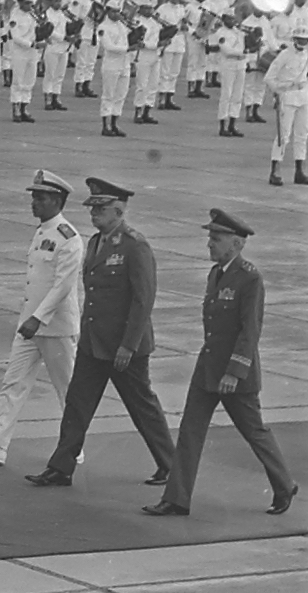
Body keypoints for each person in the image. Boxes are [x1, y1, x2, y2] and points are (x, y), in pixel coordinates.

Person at [143, 209, 299, 517]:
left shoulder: (250, 278)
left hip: (233, 374)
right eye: (210, 238)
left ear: (237, 244)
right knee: (189, 432)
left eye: (217, 239)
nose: (210, 244)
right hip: (208, 369)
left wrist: (235, 371)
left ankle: (283, 484)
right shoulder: (216, 274)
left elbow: (250, 330)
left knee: (254, 431)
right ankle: (176, 499)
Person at [25, 177, 175, 488]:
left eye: (101, 208)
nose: (94, 213)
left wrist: (129, 345)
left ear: (119, 211)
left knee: (142, 408)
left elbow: (143, 299)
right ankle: (61, 468)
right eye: (93, 208)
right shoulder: (94, 242)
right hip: (94, 343)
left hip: (123, 346)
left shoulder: (135, 246)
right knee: (77, 405)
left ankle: (172, 466)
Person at [0, 170, 84, 467]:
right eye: (33, 197)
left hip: (55, 328)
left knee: (67, 389)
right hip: (30, 326)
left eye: (40, 198)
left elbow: (63, 286)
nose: (33, 203)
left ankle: (74, 446)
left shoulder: (69, 238)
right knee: (13, 383)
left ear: (56, 200)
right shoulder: (43, 231)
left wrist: (37, 319)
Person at [265, 25, 308, 186]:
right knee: (283, 136)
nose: (303, 43)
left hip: (303, 96)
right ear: (294, 39)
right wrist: (278, 91)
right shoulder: (285, 55)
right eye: (300, 39)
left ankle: (299, 171)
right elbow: (270, 78)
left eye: (306, 40)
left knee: (302, 135)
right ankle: (275, 170)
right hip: (287, 96)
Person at [98, 0, 134, 136]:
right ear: (107, 11)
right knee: (108, 95)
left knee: (120, 95)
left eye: (118, 11)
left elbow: (130, 36)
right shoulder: (103, 27)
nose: (116, 14)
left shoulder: (122, 25)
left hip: (124, 64)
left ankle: (114, 124)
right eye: (113, 11)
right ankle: (105, 125)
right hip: (111, 65)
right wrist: (128, 49)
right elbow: (109, 46)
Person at [213, 8, 246, 137]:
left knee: (237, 96)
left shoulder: (239, 32)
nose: (231, 21)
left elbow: (245, 45)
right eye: (228, 18)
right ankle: (222, 125)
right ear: (223, 19)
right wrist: (242, 53)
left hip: (240, 64)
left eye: (233, 18)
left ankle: (232, 124)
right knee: (226, 94)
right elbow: (226, 50)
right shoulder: (221, 33)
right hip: (228, 64)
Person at [132, 0, 163, 125]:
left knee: (153, 84)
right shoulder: (136, 22)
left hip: (155, 55)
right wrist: (156, 44)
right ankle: (138, 111)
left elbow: (159, 37)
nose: (149, 11)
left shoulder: (155, 23)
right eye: (146, 8)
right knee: (142, 85)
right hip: (143, 55)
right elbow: (141, 42)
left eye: (151, 9)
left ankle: (147, 110)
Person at [9, 0, 39, 123]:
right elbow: (15, 37)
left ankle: (24, 107)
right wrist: (31, 44)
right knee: (18, 80)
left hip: (32, 52)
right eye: (26, 3)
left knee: (29, 80)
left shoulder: (33, 15)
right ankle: (16, 107)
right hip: (20, 52)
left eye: (31, 3)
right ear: (20, 3)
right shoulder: (15, 16)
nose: (29, 6)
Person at [155, 0, 186, 110]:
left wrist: (184, 26)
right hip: (168, 41)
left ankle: (170, 97)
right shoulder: (162, 8)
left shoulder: (182, 9)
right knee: (165, 71)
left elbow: (185, 24)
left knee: (175, 72)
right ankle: (162, 97)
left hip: (180, 41)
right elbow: (157, 23)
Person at [42, 0, 70, 112]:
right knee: (50, 74)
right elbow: (49, 31)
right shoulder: (46, 14)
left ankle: (56, 97)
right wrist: (63, 37)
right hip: (52, 46)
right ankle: (48, 98)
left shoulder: (63, 14)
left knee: (60, 75)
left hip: (63, 48)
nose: (58, 3)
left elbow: (68, 27)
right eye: (55, 1)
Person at [70, 0, 99, 98]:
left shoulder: (99, 2)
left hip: (95, 35)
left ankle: (87, 84)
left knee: (91, 62)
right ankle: (79, 85)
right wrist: (77, 34)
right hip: (84, 34)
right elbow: (74, 16)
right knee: (81, 62)